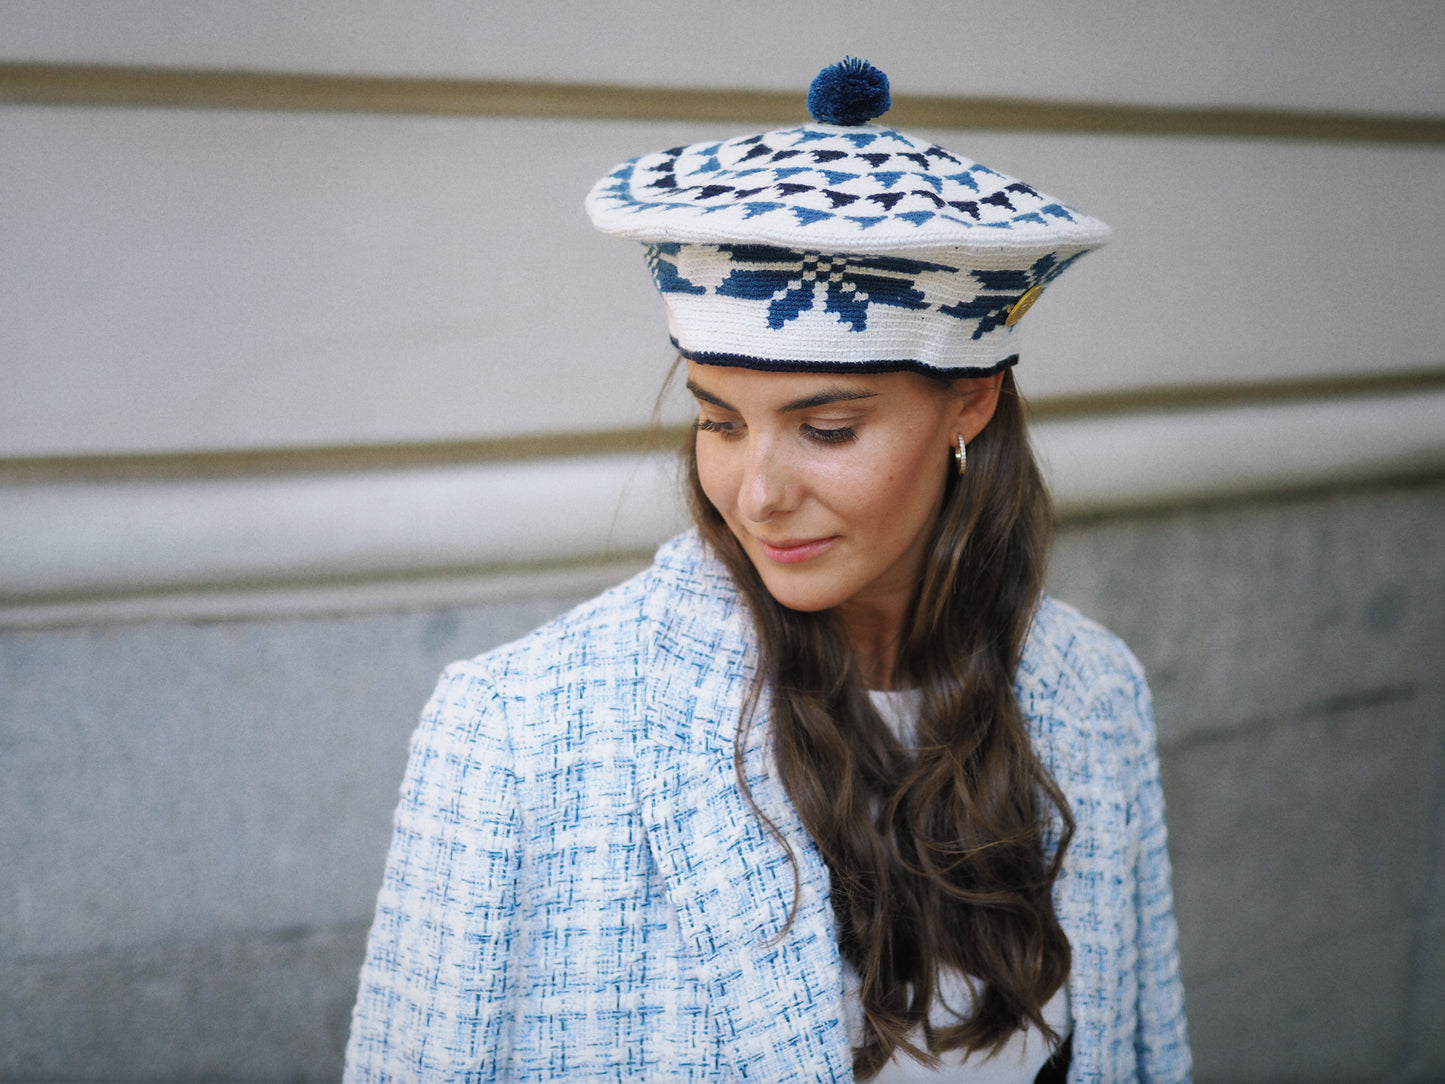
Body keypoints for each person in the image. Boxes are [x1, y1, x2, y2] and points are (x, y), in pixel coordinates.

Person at [344, 58, 1190, 1083]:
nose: (754, 493)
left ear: (969, 403)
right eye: (718, 421)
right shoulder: (518, 732)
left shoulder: (1093, 696)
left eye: (825, 429)